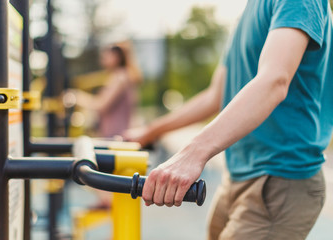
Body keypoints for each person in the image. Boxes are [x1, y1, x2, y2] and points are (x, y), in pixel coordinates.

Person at [123, 0, 333, 239]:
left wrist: (192, 153)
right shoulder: (247, 11)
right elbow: (215, 96)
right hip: (236, 176)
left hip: (280, 180)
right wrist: (151, 131)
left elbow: (274, 81)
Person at [69, 44, 142, 138]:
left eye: (107, 56)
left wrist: (76, 97)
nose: (103, 59)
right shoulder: (120, 76)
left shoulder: (120, 77)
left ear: (116, 57)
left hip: (117, 136)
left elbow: (101, 104)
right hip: (116, 135)